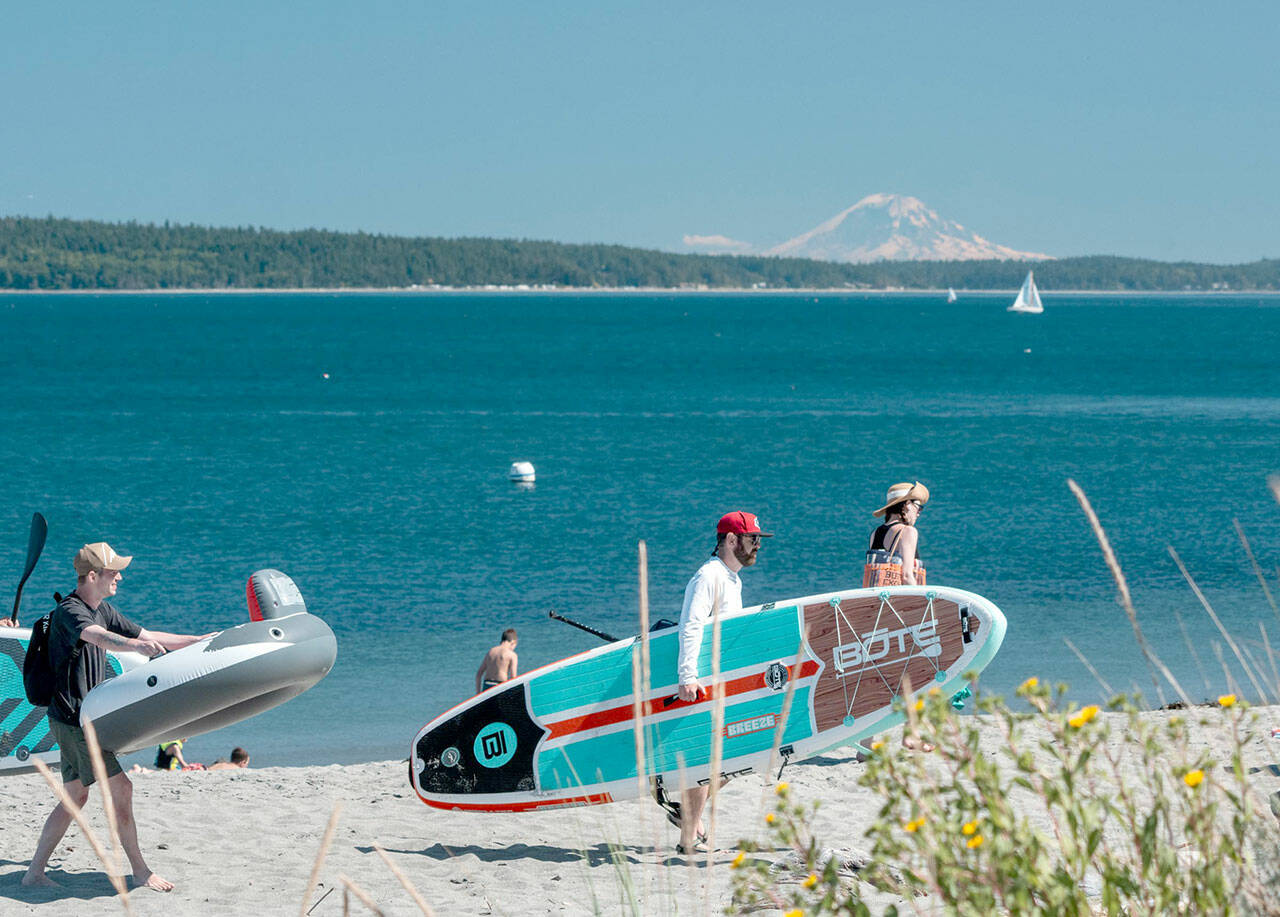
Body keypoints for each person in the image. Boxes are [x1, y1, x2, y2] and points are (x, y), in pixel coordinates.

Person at [22, 542, 210, 891]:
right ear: (92, 575)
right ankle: (140, 871)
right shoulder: (70, 612)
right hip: (73, 721)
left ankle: (34, 872)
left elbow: (149, 635)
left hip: (76, 720)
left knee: (75, 797)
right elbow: (98, 637)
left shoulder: (103, 608)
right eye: (113, 572)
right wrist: (133, 647)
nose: (120, 577)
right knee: (121, 788)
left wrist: (198, 641)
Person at [672, 510, 771, 855]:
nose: (758, 545)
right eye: (753, 539)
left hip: (723, 686)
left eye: (759, 539)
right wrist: (687, 676)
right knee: (705, 761)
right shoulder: (709, 576)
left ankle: (688, 815)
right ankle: (688, 838)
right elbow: (691, 625)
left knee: (736, 758)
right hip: (701, 686)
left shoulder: (732, 578)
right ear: (731, 540)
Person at [863, 482, 930, 587]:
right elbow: (906, 576)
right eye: (918, 507)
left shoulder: (875, 533)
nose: (918, 513)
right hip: (900, 600)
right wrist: (922, 600)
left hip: (879, 600)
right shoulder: (908, 531)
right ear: (907, 504)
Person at [475, 628, 518, 693]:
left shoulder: (491, 651)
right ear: (513, 642)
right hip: (500, 686)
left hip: (486, 685)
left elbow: (479, 674)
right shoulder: (512, 655)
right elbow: (513, 677)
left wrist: (478, 693)